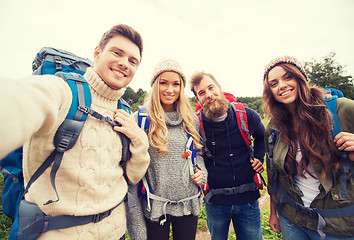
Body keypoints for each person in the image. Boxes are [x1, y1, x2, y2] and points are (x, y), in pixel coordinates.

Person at [0, 24, 150, 239]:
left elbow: (133, 176)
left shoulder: (124, 110)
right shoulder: (62, 90)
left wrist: (137, 138)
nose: (124, 63)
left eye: (132, 61)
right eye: (117, 53)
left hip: (115, 232)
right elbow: (21, 101)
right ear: (97, 53)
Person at [262, 56, 354, 240]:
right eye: (274, 83)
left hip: (338, 226)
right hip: (292, 221)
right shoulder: (274, 128)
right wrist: (274, 213)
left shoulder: (340, 109)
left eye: (288, 77)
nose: (281, 85)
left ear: (300, 78)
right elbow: (274, 175)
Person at [126, 59, 207, 240]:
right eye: (164, 83)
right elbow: (131, 174)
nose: (170, 89)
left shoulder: (191, 120)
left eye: (176, 84)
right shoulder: (139, 120)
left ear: (182, 88)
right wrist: (136, 228)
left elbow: (198, 153)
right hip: (154, 208)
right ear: (155, 85)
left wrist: (202, 172)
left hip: (188, 205)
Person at [189, 72, 265, 240]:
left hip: (248, 200)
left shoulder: (246, 115)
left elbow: (262, 137)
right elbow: (194, 155)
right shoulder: (195, 125)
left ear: (220, 89)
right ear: (198, 100)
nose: (208, 95)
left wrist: (259, 157)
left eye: (211, 88)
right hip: (215, 202)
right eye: (201, 93)